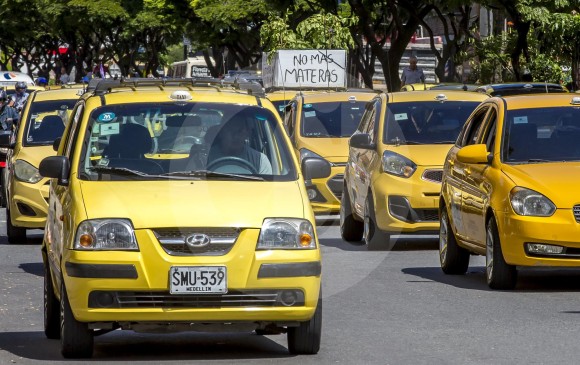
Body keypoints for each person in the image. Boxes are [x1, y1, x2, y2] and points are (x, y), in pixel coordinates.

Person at [201, 114, 272, 174]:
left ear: (247, 134)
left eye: (240, 131)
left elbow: (268, 188)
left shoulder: (260, 160)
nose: (236, 136)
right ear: (221, 132)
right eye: (231, 130)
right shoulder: (202, 158)